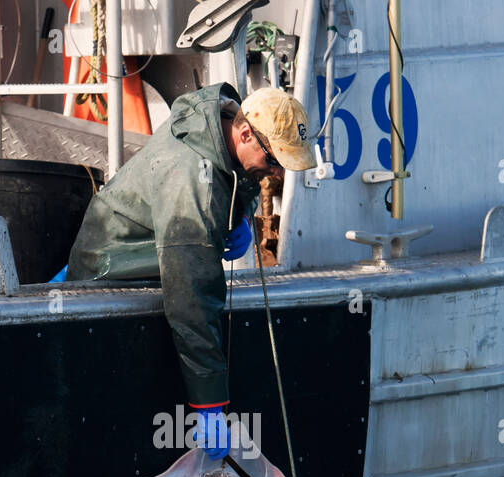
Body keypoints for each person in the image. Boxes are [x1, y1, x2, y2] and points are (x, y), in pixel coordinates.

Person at [61, 82, 316, 457]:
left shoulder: (214, 124)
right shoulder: (188, 176)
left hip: (144, 243)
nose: (277, 174)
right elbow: (190, 295)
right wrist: (209, 403)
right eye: (274, 161)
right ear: (245, 134)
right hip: (111, 268)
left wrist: (238, 217)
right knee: (195, 285)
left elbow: (232, 175)